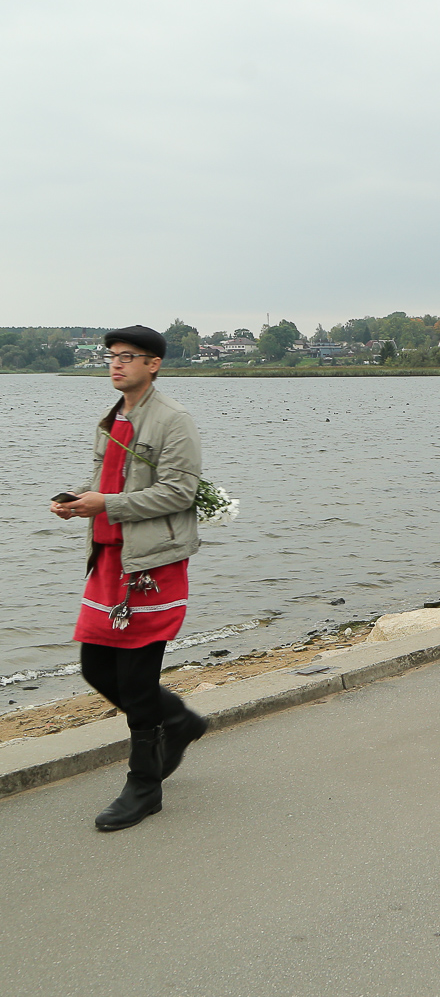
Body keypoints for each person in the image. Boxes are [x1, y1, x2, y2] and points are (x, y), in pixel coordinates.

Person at [49, 326, 208, 832]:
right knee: (96, 668)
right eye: (112, 356)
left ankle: (145, 785)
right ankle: (178, 720)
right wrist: (79, 501)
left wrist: (107, 504)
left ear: (153, 364)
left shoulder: (174, 420)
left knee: (137, 682)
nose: (115, 364)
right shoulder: (112, 418)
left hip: (151, 565)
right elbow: (105, 482)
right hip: (108, 560)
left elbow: (180, 493)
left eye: (127, 356)